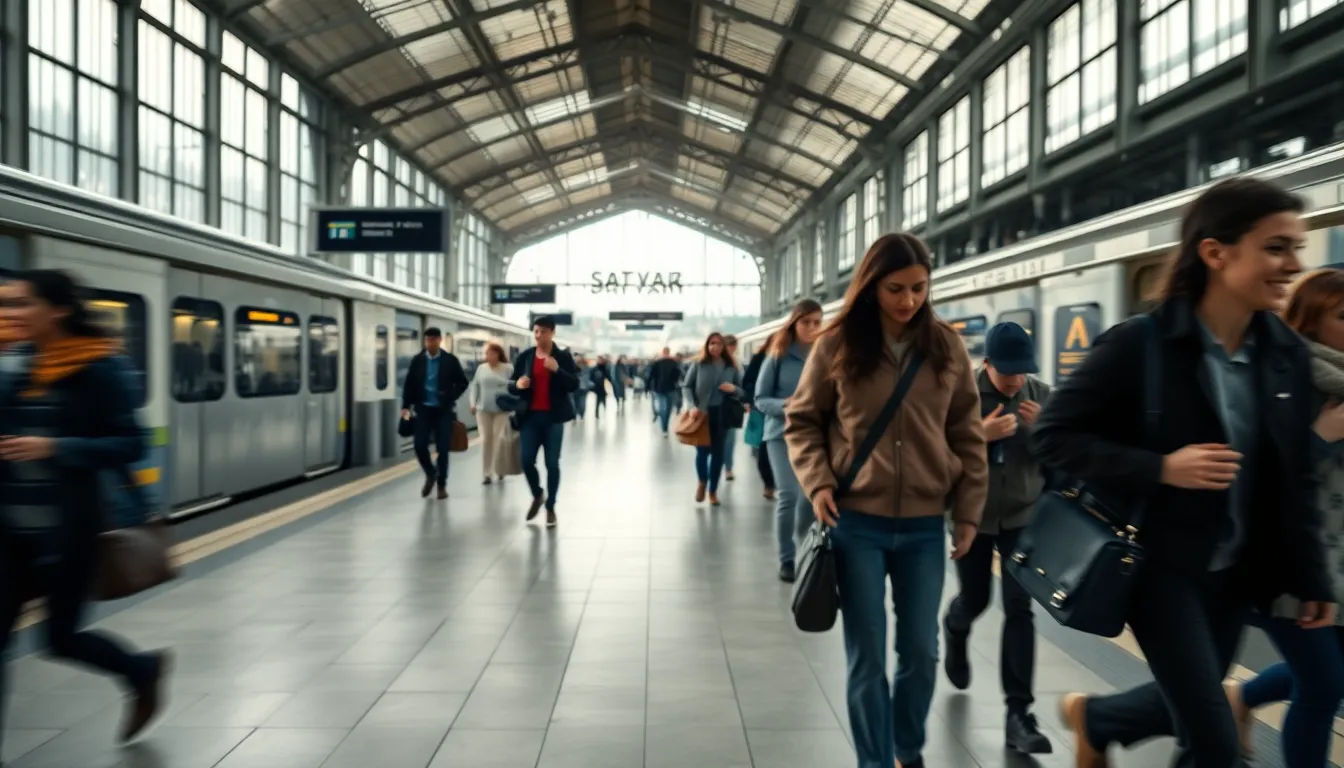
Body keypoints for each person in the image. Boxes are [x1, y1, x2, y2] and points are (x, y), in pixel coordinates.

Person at [1033, 177, 1335, 768]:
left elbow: (1294, 479)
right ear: (1215, 252)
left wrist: (1311, 578)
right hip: (1161, 570)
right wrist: (1160, 468)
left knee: (1200, 736)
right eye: (1276, 248)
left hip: (1237, 576)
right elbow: (1052, 436)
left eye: (1297, 248)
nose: (1294, 265)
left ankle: (1098, 721)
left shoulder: (1284, 355)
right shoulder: (1140, 345)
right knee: (1217, 744)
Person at [786, 233, 986, 768]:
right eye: (896, 288)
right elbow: (801, 421)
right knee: (867, 654)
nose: (909, 300)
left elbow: (967, 434)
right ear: (871, 286)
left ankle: (906, 748)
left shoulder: (946, 347)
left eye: (919, 288)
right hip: (855, 523)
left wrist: (969, 513)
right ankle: (875, 762)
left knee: (921, 650)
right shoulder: (837, 344)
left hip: (924, 526)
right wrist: (818, 482)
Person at [0, 270, 170, 749]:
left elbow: (131, 443)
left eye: (21, 304)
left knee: (60, 638)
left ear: (57, 310)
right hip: (9, 532)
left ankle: (141, 669)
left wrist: (56, 447)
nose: (10, 314)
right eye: (7, 304)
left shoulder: (99, 367)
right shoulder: (14, 367)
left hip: (69, 533)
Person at [1221, 267, 1344, 768]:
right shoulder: (1290, 379)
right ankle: (1105, 718)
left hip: (1338, 558)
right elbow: (1260, 474)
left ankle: (1242, 698)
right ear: (1312, 323)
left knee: (1331, 676)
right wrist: (1320, 437)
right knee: (1322, 687)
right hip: (1296, 560)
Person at [941, 320, 1053, 754]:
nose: (1016, 381)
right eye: (1008, 372)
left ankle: (1018, 714)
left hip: (1024, 517)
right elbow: (934, 455)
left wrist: (1044, 430)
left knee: (1019, 607)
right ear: (987, 363)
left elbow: (1067, 455)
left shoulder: (1041, 397)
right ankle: (955, 626)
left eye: (1023, 371)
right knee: (976, 599)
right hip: (973, 515)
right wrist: (979, 436)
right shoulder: (959, 395)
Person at [754, 299, 822, 582]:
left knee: (809, 498)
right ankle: (786, 558)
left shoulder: (826, 354)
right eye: (806, 322)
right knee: (789, 495)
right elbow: (760, 399)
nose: (812, 327)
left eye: (817, 322)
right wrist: (786, 405)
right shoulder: (778, 356)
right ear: (794, 323)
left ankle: (805, 547)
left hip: (815, 437)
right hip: (780, 435)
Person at [509, 316, 580, 527]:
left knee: (552, 464)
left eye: (543, 332)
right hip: (530, 418)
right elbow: (511, 384)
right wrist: (517, 385)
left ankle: (550, 507)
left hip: (553, 418)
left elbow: (574, 385)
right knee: (526, 460)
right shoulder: (526, 357)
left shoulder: (563, 357)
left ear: (552, 333)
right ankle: (538, 494)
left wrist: (557, 370)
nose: (538, 335)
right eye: (536, 331)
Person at [400, 327, 469, 500]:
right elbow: (409, 386)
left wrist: (450, 396)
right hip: (423, 410)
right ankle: (431, 473)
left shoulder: (450, 360)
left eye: (433, 340)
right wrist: (405, 410)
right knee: (419, 445)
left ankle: (441, 486)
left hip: (443, 411)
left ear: (439, 340)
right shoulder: (418, 361)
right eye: (427, 340)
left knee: (443, 449)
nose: (430, 343)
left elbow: (463, 383)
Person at [682, 332, 743, 506]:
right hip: (702, 415)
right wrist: (692, 406)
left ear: (724, 347)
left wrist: (733, 389)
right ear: (707, 345)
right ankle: (702, 481)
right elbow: (687, 386)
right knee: (702, 452)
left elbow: (742, 390)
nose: (715, 347)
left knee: (718, 454)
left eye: (718, 344)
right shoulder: (698, 363)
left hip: (722, 414)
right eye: (712, 343)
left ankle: (713, 491)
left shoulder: (731, 366)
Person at [469, 342, 512, 485]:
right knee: (486, 440)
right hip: (483, 410)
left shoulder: (508, 368)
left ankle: (500, 468)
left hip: (502, 410)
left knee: (499, 439)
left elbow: (514, 385)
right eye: (487, 354)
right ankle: (487, 473)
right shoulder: (481, 368)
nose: (489, 356)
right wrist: (473, 403)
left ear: (499, 354)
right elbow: (475, 386)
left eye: (492, 354)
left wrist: (500, 382)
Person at [740, 345, 776, 499]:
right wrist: (750, 400)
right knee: (764, 446)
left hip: (787, 410)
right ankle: (769, 483)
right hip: (761, 408)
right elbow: (748, 382)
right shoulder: (760, 358)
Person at [721, 335, 745, 480]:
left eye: (733, 348)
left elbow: (742, 388)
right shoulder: (710, 363)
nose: (732, 351)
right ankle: (717, 467)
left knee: (729, 440)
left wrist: (734, 389)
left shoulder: (736, 364)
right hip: (713, 407)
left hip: (730, 407)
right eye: (729, 347)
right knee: (714, 441)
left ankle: (728, 468)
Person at [647, 347, 682, 436]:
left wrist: (647, 388)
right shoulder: (674, 363)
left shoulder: (657, 362)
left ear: (662, 352)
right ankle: (665, 427)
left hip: (659, 388)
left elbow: (651, 376)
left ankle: (664, 428)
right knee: (668, 409)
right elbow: (677, 375)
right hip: (670, 388)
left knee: (663, 408)